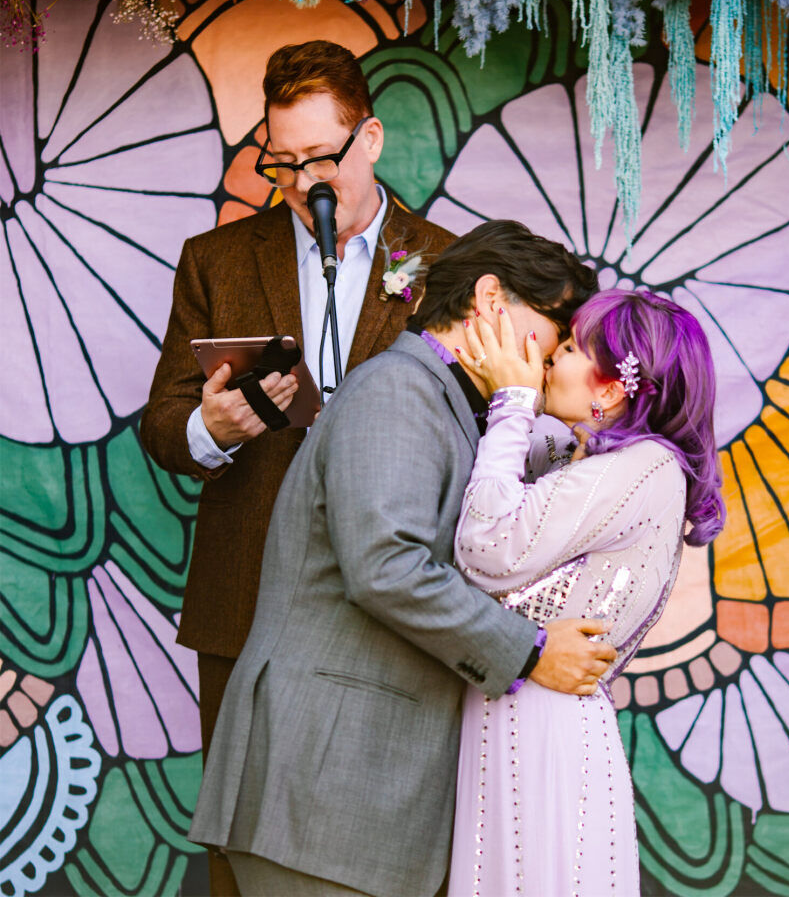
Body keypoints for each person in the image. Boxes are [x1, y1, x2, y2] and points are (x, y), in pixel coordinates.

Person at [188, 220, 618, 897]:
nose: (557, 354)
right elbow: (386, 566)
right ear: (489, 301)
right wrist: (532, 651)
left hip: (351, 799)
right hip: (323, 793)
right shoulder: (397, 390)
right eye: (557, 330)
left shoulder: (447, 403)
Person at [140, 40, 455, 895]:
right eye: (283, 163)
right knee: (243, 846)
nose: (306, 182)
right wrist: (210, 427)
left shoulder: (450, 264)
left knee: (387, 846)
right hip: (247, 599)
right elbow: (161, 426)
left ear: (373, 139)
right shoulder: (217, 260)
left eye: (323, 157)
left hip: (395, 599)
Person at [448, 288, 726, 896]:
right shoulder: (603, 462)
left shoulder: (644, 467)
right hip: (524, 717)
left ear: (611, 388)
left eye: (571, 348)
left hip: (542, 728)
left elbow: (484, 546)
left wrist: (514, 401)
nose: (549, 357)